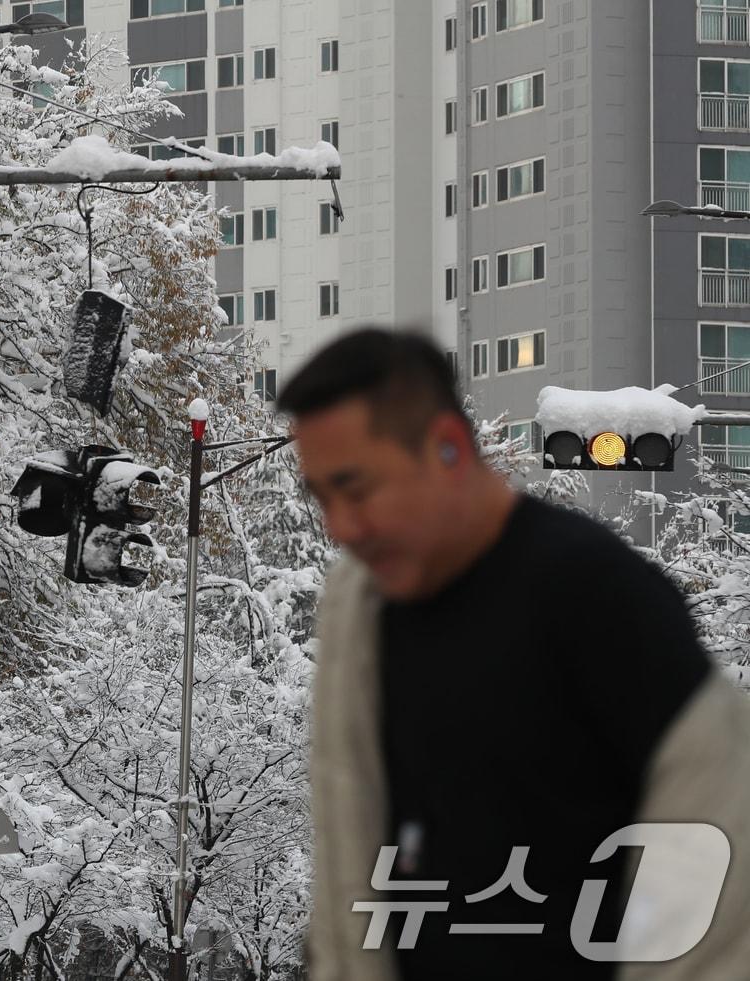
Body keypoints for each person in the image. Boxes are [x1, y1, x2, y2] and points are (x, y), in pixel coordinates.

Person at [277, 328, 750, 981]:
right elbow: (348, 852)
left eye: (356, 489)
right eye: (322, 497)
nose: (340, 526)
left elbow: (717, 847)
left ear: (446, 446)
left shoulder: (600, 596)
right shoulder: (361, 607)